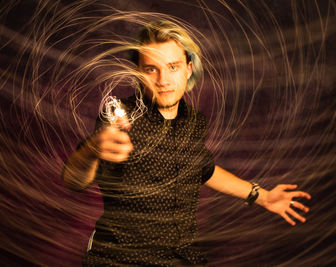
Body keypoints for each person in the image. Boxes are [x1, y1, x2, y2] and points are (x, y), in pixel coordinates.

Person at [62, 20, 311, 266]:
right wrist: (93, 149)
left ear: (189, 69)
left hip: (181, 258)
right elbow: (74, 180)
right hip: (121, 259)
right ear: (138, 73)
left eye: (173, 67)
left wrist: (263, 197)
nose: (163, 80)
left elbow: (203, 169)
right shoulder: (120, 119)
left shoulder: (194, 122)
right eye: (151, 69)